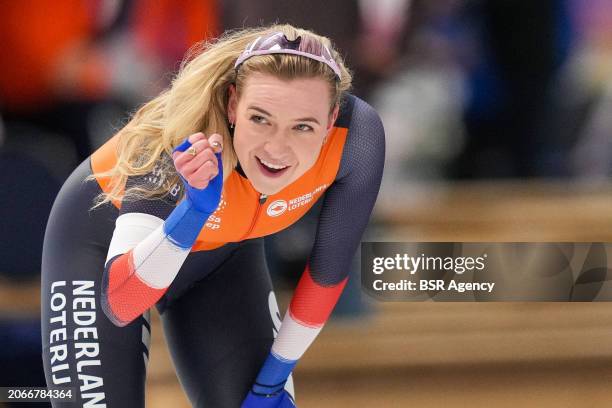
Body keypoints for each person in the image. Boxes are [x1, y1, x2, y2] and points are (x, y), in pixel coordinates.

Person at [41, 23, 385, 407]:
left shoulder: (357, 139)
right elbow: (120, 305)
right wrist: (192, 212)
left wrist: (271, 382)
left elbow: (326, 276)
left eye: (302, 127)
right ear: (233, 103)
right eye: (260, 119)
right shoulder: (181, 139)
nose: (277, 148)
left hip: (221, 259)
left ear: (331, 119)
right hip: (102, 244)